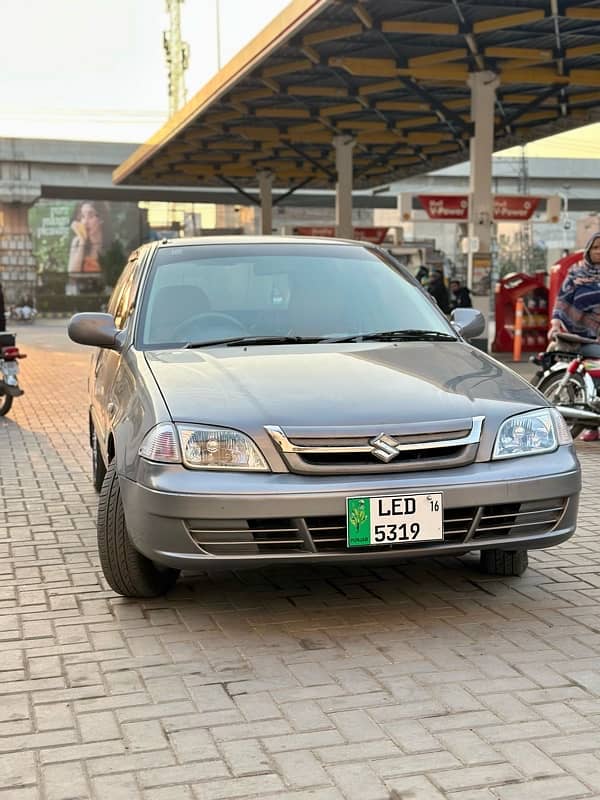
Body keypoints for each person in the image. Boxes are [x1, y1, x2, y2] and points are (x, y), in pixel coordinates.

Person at [549, 232, 600, 441]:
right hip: (579, 336)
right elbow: (563, 301)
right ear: (588, 250)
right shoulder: (576, 272)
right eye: (596, 248)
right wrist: (555, 323)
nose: (599, 252)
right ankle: (592, 425)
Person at [67, 201, 106, 275]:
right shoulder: (77, 242)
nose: (85, 222)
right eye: (82, 217)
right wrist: (82, 241)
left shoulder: (111, 244)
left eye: (90, 216)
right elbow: (72, 275)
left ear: (101, 219)